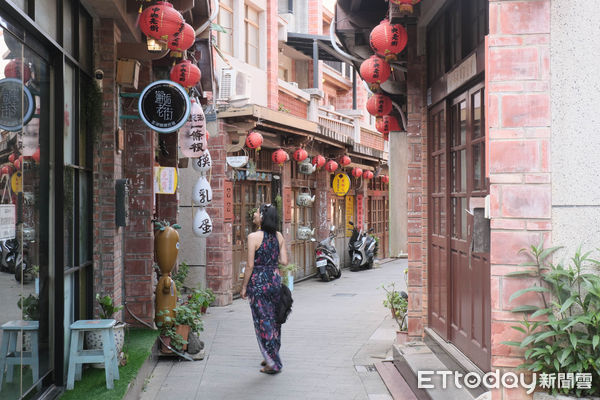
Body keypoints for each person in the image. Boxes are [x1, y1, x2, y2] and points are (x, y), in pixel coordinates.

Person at [241, 203, 288, 374]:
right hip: (275, 280)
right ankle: (270, 354)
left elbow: (250, 265)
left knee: (262, 321)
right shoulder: (279, 236)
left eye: (257, 211)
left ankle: (273, 363)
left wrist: (244, 286)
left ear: (262, 217)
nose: (254, 213)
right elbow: (284, 262)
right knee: (274, 320)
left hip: (258, 283)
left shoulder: (253, 237)